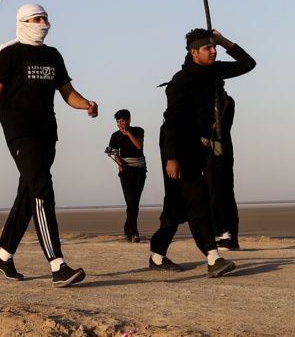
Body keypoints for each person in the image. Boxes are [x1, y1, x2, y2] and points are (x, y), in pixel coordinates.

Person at [0, 3, 97, 288]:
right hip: (19, 132)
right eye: (36, 19)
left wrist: (85, 104)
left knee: (28, 192)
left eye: (45, 18)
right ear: (23, 21)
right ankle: (57, 265)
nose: (43, 23)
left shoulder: (53, 55)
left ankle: (3, 256)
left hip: (47, 133)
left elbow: (67, 92)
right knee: (42, 188)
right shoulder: (9, 55)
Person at [147, 28, 255, 277]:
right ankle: (213, 257)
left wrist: (223, 41)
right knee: (198, 198)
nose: (214, 51)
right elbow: (171, 122)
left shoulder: (215, 71)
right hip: (177, 146)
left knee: (176, 205)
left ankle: (157, 255)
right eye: (208, 48)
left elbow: (248, 64)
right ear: (194, 52)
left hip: (199, 146)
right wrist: (171, 158)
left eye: (214, 47)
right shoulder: (180, 82)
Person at [107, 109, 147, 242]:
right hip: (126, 172)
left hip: (140, 171)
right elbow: (113, 153)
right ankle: (134, 233)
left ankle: (127, 229)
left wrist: (128, 133)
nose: (120, 124)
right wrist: (119, 164)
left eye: (122, 121)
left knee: (135, 203)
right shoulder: (115, 135)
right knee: (130, 201)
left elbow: (139, 146)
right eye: (118, 121)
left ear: (129, 120)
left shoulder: (138, 131)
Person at [207, 91, 240, 249]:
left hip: (216, 151)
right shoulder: (227, 100)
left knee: (215, 192)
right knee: (226, 193)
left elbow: (214, 127)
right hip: (224, 150)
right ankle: (232, 237)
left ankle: (224, 235)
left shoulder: (221, 101)